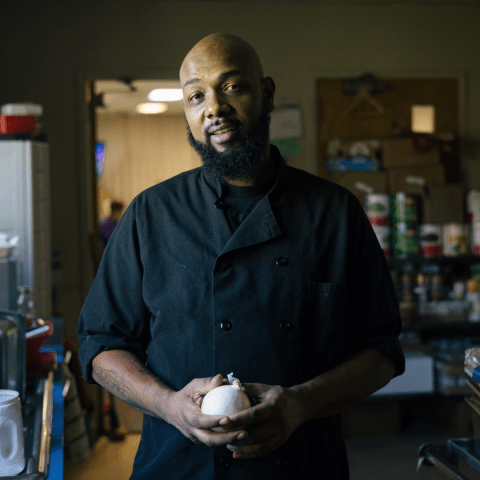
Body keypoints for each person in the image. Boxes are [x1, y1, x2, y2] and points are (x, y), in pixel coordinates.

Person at [78, 33, 405, 479]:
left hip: (301, 465)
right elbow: (99, 344)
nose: (214, 107)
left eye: (232, 87)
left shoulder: (334, 212)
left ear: (265, 93)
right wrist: (169, 405)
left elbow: (381, 349)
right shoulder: (151, 214)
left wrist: (301, 403)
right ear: (189, 113)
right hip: (178, 466)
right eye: (196, 96)